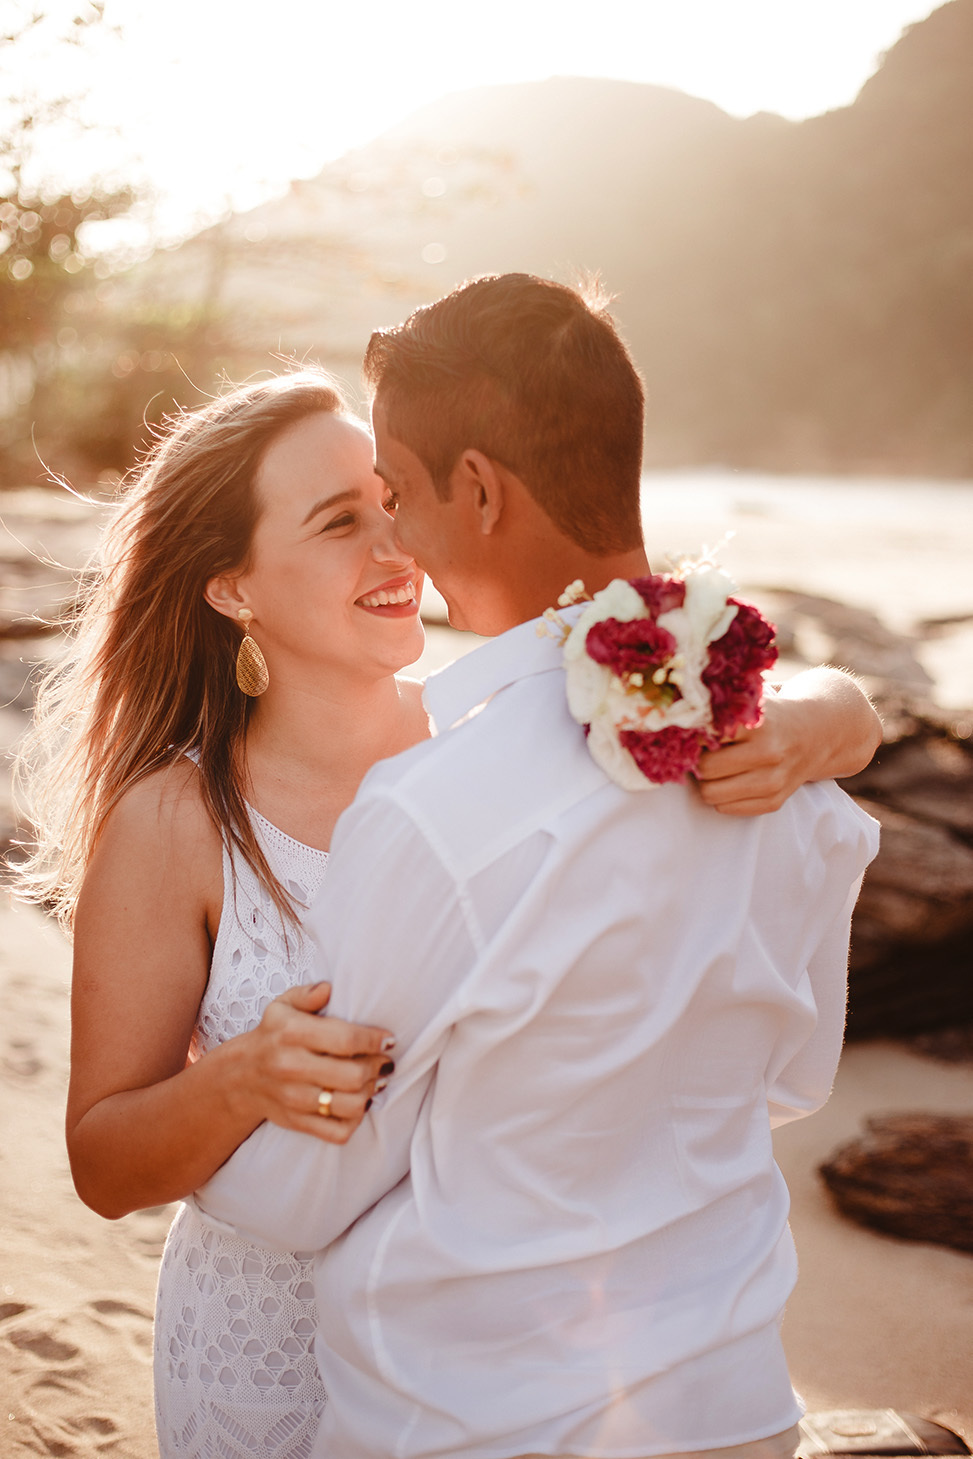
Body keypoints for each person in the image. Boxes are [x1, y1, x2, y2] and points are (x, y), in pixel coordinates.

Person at [195, 274, 881, 1459]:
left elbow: (314, 1187)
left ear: (476, 489)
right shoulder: (797, 780)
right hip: (735, 1409)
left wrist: (207, 1109)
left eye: (398, 494)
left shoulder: (431, 814)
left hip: (472, 1422)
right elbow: (794, 1078)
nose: (395, 537)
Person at [13, 372, 429, 1457]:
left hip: (481, 1342)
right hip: (266, 1360)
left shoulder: (488, 747)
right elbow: (105, 1166)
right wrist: (244, 1076)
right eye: (343, 522)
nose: (395, 549)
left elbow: (787, 704)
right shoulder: (175, 820)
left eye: (395, 504)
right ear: (232, 587)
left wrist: (825, 719)